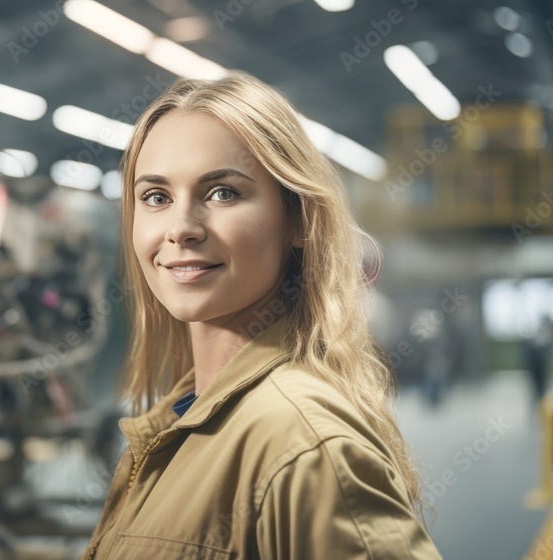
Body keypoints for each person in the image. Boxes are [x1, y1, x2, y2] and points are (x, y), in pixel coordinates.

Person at [81, 72, 440, 559]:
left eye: (223, 192)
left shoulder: (306, 446)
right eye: (156, 197)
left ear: (296, 219)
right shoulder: (183, 418)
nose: (181, 228)